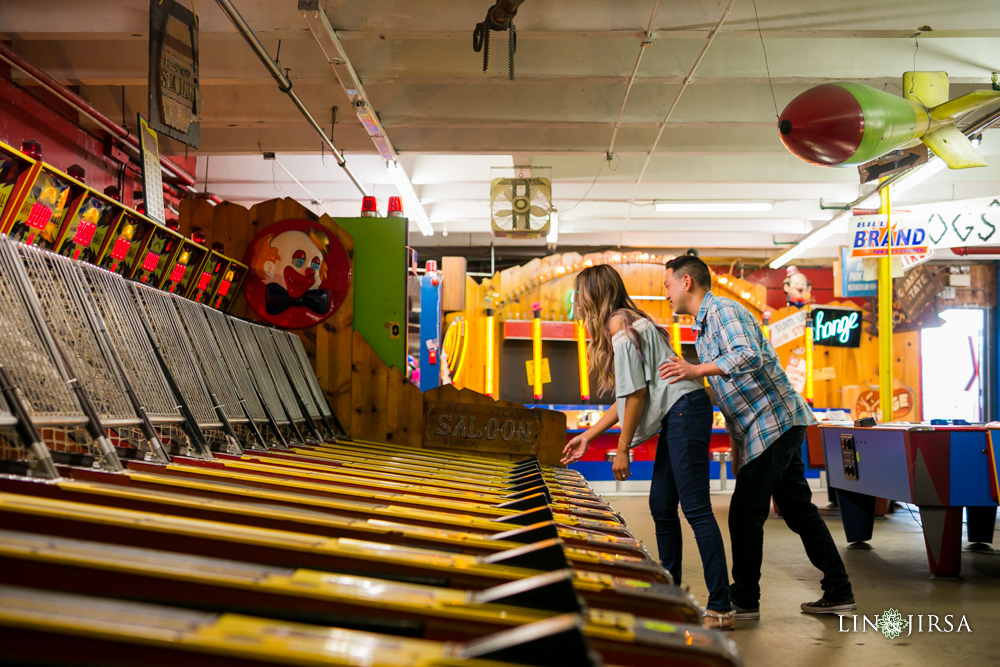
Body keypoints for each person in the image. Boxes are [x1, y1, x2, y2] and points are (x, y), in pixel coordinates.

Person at [658, 255, 855, 620]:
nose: (665, 293)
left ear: (686, 282)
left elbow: (748, 355)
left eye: (667, 284)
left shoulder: (723, 312)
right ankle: (839, 590)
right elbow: (730, 393)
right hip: (765, 428)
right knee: (798, 510)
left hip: (774, 422)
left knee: (745, 514)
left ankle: (745, 600)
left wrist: (696, 369)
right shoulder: (702, 330)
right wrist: (734, 440)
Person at [561, 264, 733, 630]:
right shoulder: (629, 320)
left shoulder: (619, 326)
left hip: (684, 411)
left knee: (697, 509)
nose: (576, 302)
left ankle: (721, 605)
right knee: (661, 505)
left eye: (580, 294)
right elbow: (628, 396)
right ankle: (669, 592)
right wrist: (589, 436)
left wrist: (623, 448)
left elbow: (635, 394)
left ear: (593, 295)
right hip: (681, 413)